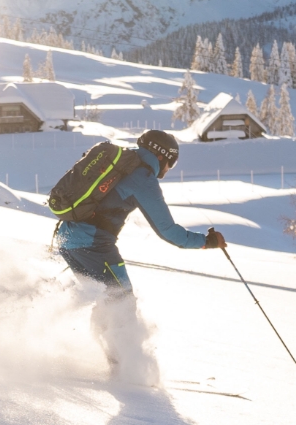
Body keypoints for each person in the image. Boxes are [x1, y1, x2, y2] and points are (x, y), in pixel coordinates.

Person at [54, 129, 224, 383]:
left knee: (106, 297)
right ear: (163, 156)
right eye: (171, 162)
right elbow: (168, 231)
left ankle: (113, 360)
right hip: (94, 244)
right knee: (121, 301)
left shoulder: (121, 162)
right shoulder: (143, 178)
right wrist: (206, 242)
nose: (168, 168)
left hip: (68, 239)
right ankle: (123, 370)